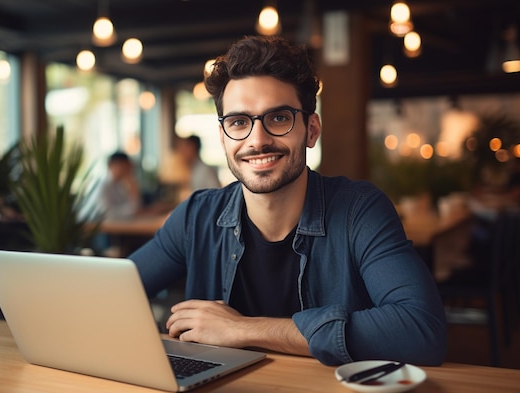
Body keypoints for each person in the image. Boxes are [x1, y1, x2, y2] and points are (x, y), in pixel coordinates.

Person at [129, 36, 447, 366]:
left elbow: (421, 329)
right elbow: (110, 298)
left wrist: (243, 329)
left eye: (279, 118)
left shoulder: (360, 210)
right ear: (224, 138)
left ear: (311, 130)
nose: (258, 140)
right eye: (239, 122)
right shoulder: (197, 216)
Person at [100, 151, 142, 220]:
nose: (129, 170)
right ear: (111, 165)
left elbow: (135, 208)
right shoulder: (104, 186)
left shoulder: (118, 185)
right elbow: (107, 214)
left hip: (119, 225)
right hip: (105, 228)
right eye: (125, 166)